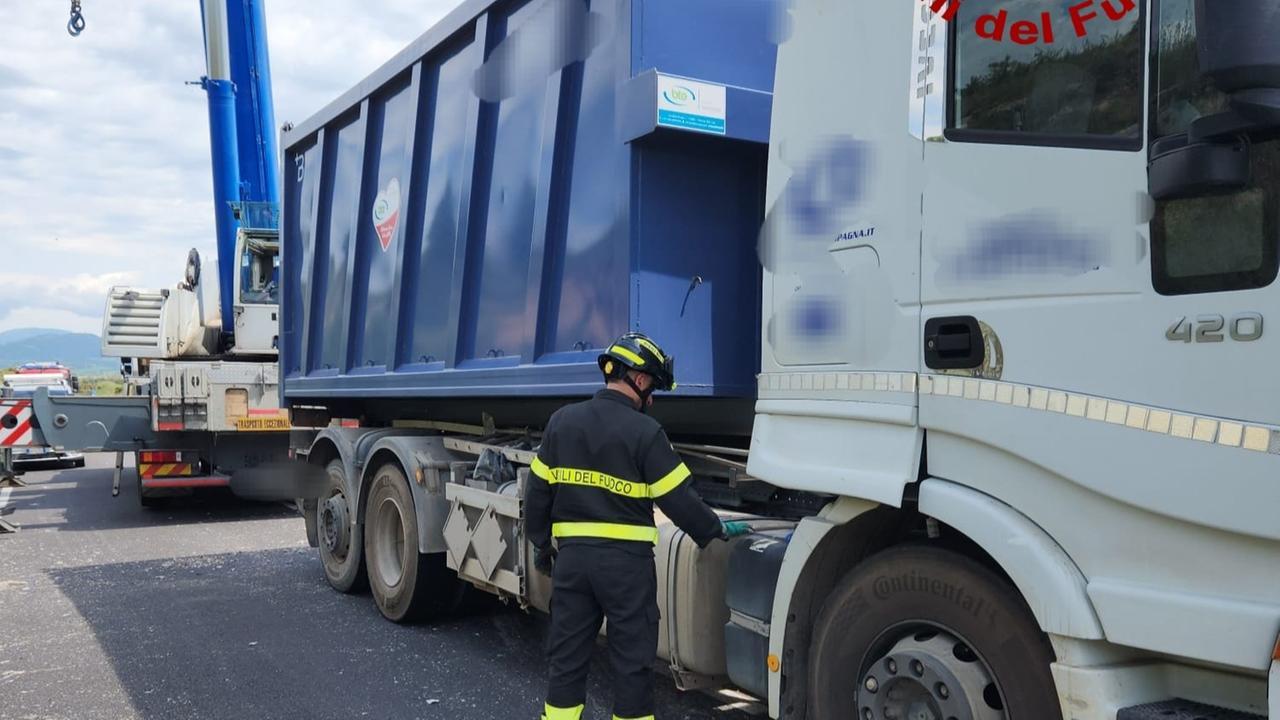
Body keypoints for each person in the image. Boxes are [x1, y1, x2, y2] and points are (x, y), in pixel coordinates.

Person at [525, 332, 751, 720]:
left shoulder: (561, 423)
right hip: (626, 570)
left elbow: (537, 494)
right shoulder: (646, 433)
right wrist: (713, 529)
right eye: (654, 389)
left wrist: (542, 545)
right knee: (632, 664)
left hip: (574, 564)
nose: (653, 400)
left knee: (567, 661)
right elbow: (680, 501)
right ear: (640, 380)